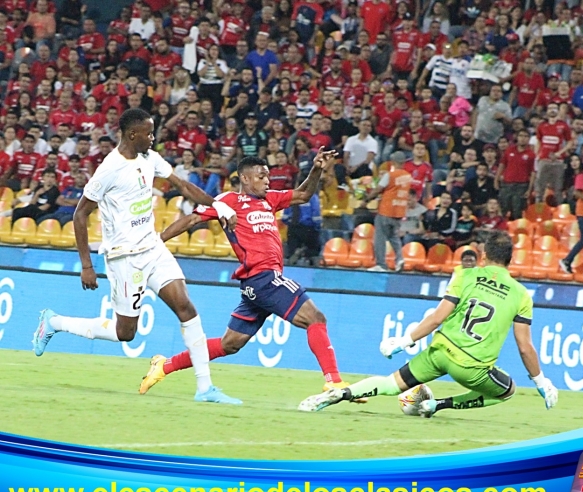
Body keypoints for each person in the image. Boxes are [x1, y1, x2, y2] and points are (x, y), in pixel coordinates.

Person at [31, 108, 241, 405]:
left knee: (186, 308)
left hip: (152, 247)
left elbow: (183, 185)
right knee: (125, 332)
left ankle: (205, 388)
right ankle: (55, 322)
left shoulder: (150, 158)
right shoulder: (109, 169)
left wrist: (218, 206)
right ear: (132, 134)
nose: (153, 138)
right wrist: (87, 265)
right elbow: (80, 215)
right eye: (149, 133)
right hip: (124, 258)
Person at [139, 149, 362, 401]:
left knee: (230, 344)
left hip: (256, 285)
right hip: (263, 278)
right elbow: (191, 220)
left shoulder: (270, 199)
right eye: (261, 176)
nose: (267, 181)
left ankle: (165, 365)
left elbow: (303, 194)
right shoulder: (228, 201)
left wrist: (316, 169)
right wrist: (157, 241)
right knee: (315, 318)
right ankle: (333, 381)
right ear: (245, 178)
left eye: (268, 176)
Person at [297, 231, 559, 416]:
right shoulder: (521, 295)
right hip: (472, 367)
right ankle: (439, 405)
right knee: (507, 391)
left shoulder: (465, 275)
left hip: (440, 353)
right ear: (510, 259)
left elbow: (437, 318)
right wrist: (541, 381)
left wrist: (403, 342)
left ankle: (341, 393)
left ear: (484, 255)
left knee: (391, 384)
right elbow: (524, 347)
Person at [363, 151, 412, 272]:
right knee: (394, 237)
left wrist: (367, 199)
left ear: (393, 162)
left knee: (380, 238)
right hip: (399, 211)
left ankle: (381, 264)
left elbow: (378, 189)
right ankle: (399, 259)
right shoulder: (407, 176)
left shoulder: (390, 175)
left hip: (386, 210)